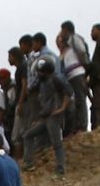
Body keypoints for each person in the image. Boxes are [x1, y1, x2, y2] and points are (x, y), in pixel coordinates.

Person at [24, 35, 71, 174]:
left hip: (53, 117)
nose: (39, 74)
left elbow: (68, 92)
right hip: (45, 116)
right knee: (28, 135)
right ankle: (28, 162)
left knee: (57, 143)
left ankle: (61, 168)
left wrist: (61, 108)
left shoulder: (55, 79)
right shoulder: (44, 83)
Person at [57, 27, 88, 135]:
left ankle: (82, 127)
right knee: (76, 102)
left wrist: (85, 66)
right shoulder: (66, 49)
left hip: (77, 73)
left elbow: (83, 52)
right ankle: (77, 126)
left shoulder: (74, 39)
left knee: (80, 100)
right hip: (71, 76)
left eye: (62, 31)